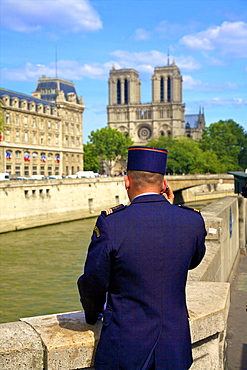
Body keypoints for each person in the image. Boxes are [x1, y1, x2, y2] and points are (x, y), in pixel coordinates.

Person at [77, 146, 206, 370]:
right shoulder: (192, 221)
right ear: (164, 184)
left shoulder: (112, 223)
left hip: (125, 347)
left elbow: (94, 280)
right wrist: (171, 208)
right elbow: (192, 261)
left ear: (127, 182)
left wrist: (91, 314)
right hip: (175, 346)